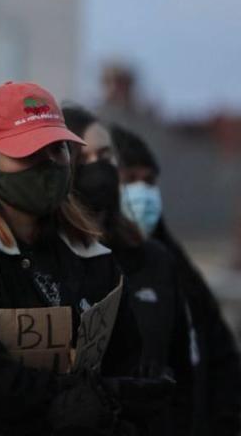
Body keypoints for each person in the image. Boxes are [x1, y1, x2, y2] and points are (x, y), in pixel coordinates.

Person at [0, 81, 143, 435]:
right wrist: (78, 398)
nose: (47, 163)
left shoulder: (95, 256)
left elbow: (126, 363)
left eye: (57, 149)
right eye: (28, 152)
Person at [64, 106, 192, 435]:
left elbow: (184, 369)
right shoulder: (54, 261)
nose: (99, 169)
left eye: (105, 156)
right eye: (84, 159)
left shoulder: (155, 260)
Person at [112, 125, 241, 436]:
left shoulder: (172, 262)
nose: (143, 193)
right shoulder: (97, 268)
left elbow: (219, 353)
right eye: (129, 180)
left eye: (149, 181)